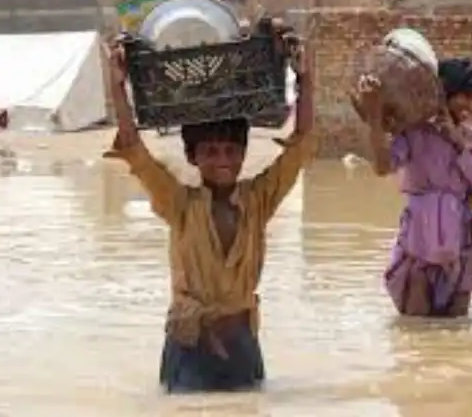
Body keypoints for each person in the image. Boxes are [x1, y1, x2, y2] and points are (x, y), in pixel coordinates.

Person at [103, 24, 314, 393]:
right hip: (190, 344)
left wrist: (305, 79)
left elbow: (301, 147)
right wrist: (118, 85)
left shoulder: (258, 199)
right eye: (211, 152)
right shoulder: (179, 203)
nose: (222, 161)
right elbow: (135, 150)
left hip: (242, 343)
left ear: (243, 153)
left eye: (231, 151)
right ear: (192, 156)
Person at [361, 57, 472, 317]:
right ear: (444, 94)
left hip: (459, 246)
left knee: (456, 329)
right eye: (465, 97)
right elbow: (382, 167)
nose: (471, 106)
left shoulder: (470, 139)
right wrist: (375, 119)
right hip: (418, 245)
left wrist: (457, 142)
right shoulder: (414, 133)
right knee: (416, 328)